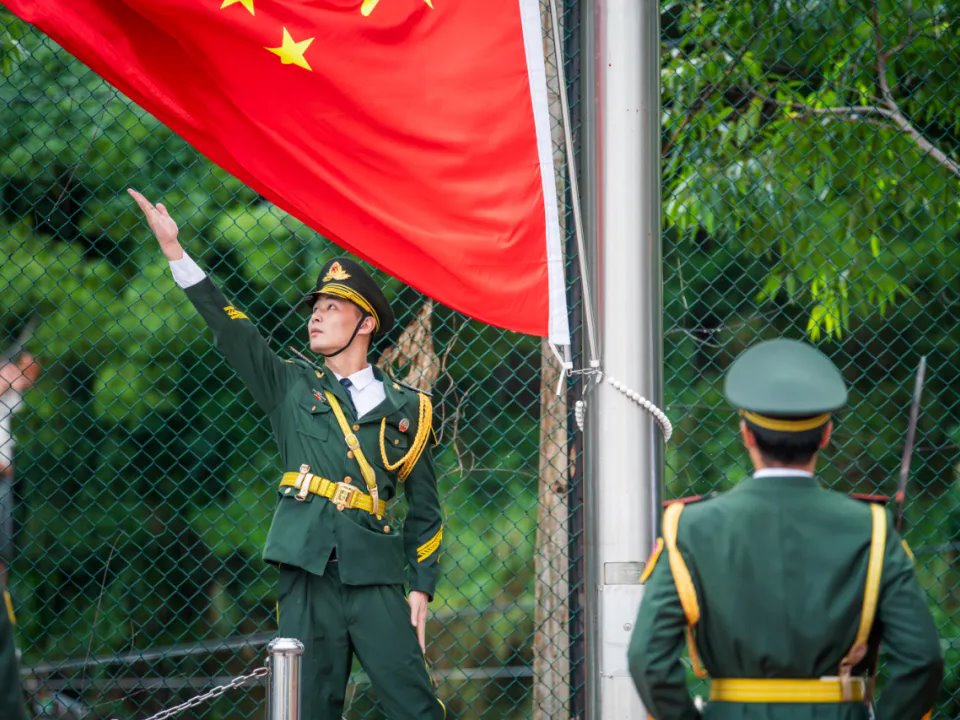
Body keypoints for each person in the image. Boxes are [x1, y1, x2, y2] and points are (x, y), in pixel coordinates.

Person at [129, 189, 445, 720]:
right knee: (305, 708)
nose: (316, 317)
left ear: (366, 323)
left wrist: (422, 589)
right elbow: (233, 330)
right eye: (315, 309)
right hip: (306, 572)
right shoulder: (290, 387)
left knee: (417, 709)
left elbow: (426, 511)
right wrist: (176, 254)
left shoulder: (410, 408)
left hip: (376, 578)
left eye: (331, 308)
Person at [627, 338, 943, 719]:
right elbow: (922, 659)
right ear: (826, 435)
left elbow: (648, 659)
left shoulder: (691, 527)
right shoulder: (871, 528)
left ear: (746, 435)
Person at [0, 352, 40, 720]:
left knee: (3, 561)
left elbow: (22, 378)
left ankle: (5, 632)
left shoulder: (10, 389)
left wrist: (14, 377)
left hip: (4, 480)